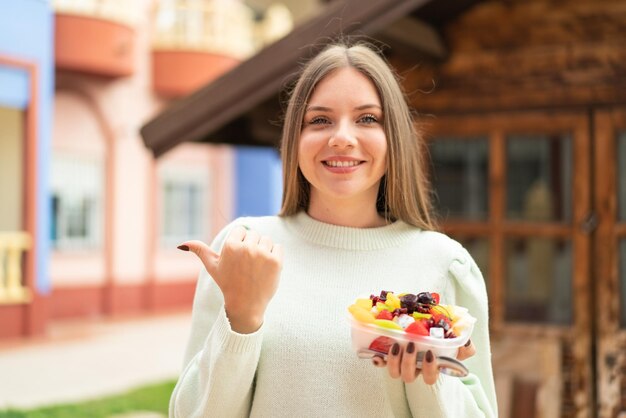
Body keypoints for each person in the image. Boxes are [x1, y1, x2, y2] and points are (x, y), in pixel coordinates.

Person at [171, 42, 498, 417]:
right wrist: (241, 318)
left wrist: (432, 378)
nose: (342, 137)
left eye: (367, 119)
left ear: (395, 140)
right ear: (295, 139)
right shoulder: (245, 249)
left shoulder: (444, 264)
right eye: (320, 120)